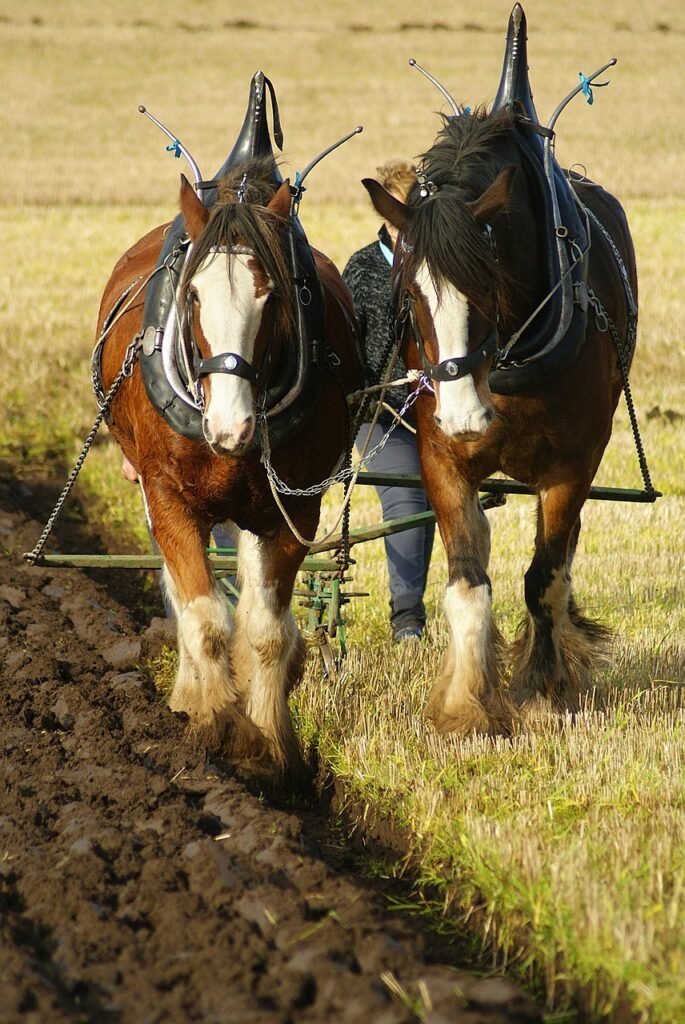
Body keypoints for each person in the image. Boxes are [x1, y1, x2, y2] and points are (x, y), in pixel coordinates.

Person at [343, 161, 435, 643]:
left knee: (440, 504)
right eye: (402, 224)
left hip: (436, 411)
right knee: (406, 499)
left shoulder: (439, 265)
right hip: (382, 416)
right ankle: (407, 621)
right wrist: (401, 380)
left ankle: (417, 608)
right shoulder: (361, 269)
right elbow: (351, 355)